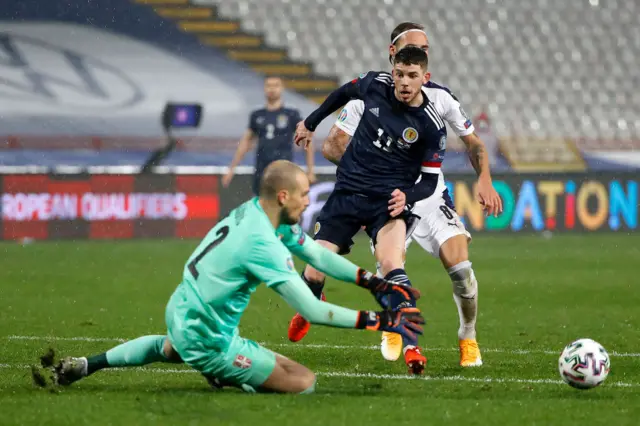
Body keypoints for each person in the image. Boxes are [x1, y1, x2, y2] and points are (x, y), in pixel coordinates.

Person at [41, 160, 424, 394]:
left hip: (182, 308)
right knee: (303, 381)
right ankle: (222, 374)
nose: (311, 201)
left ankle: (87, 364)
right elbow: (311, 309)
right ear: (284, 197)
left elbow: (315, 254)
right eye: (305, 193)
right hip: (210, 337)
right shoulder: (263, 244)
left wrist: (375, 283)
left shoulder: (257, 212)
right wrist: (383, 321)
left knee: (169, 348)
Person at [316, 22, 503, 367]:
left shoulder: (441, 98)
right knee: (391, 265)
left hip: (428, 195)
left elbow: (473, 143)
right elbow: (331, 146)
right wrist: (370, 172)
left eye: (426, 49)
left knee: (460, 267)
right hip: (385, 197)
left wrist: (486, 179)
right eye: (416, 47)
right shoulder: (366, 98)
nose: (424, 51)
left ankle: (468, 335)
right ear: (393, 54)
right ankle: (394, 323)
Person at [288, 47, 452, 375]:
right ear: (392, 71)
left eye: (412, 76)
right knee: (315, 269)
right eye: (400, 74)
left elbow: (429, 181)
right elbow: (342, 93)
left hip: (387, 205)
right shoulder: (373, 84)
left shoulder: (431, 125)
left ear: (425, 78)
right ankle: (311, 303)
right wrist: (311, 122)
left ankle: (410, 344)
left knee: (392, 264)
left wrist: (407, 196)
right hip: (347, 195)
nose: (404, 82)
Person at [223, 76, 316, 195]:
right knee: (260, 203)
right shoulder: (257, 115)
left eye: (276, 85)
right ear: (264, 89)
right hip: (261, 169)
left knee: (283, 203)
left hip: (284, 169)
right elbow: (246, 142)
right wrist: (232, 169)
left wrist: (310, 170)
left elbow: (306, 140)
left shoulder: (291, 114)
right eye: (269, 85)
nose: (272, 89)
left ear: (282, 88)